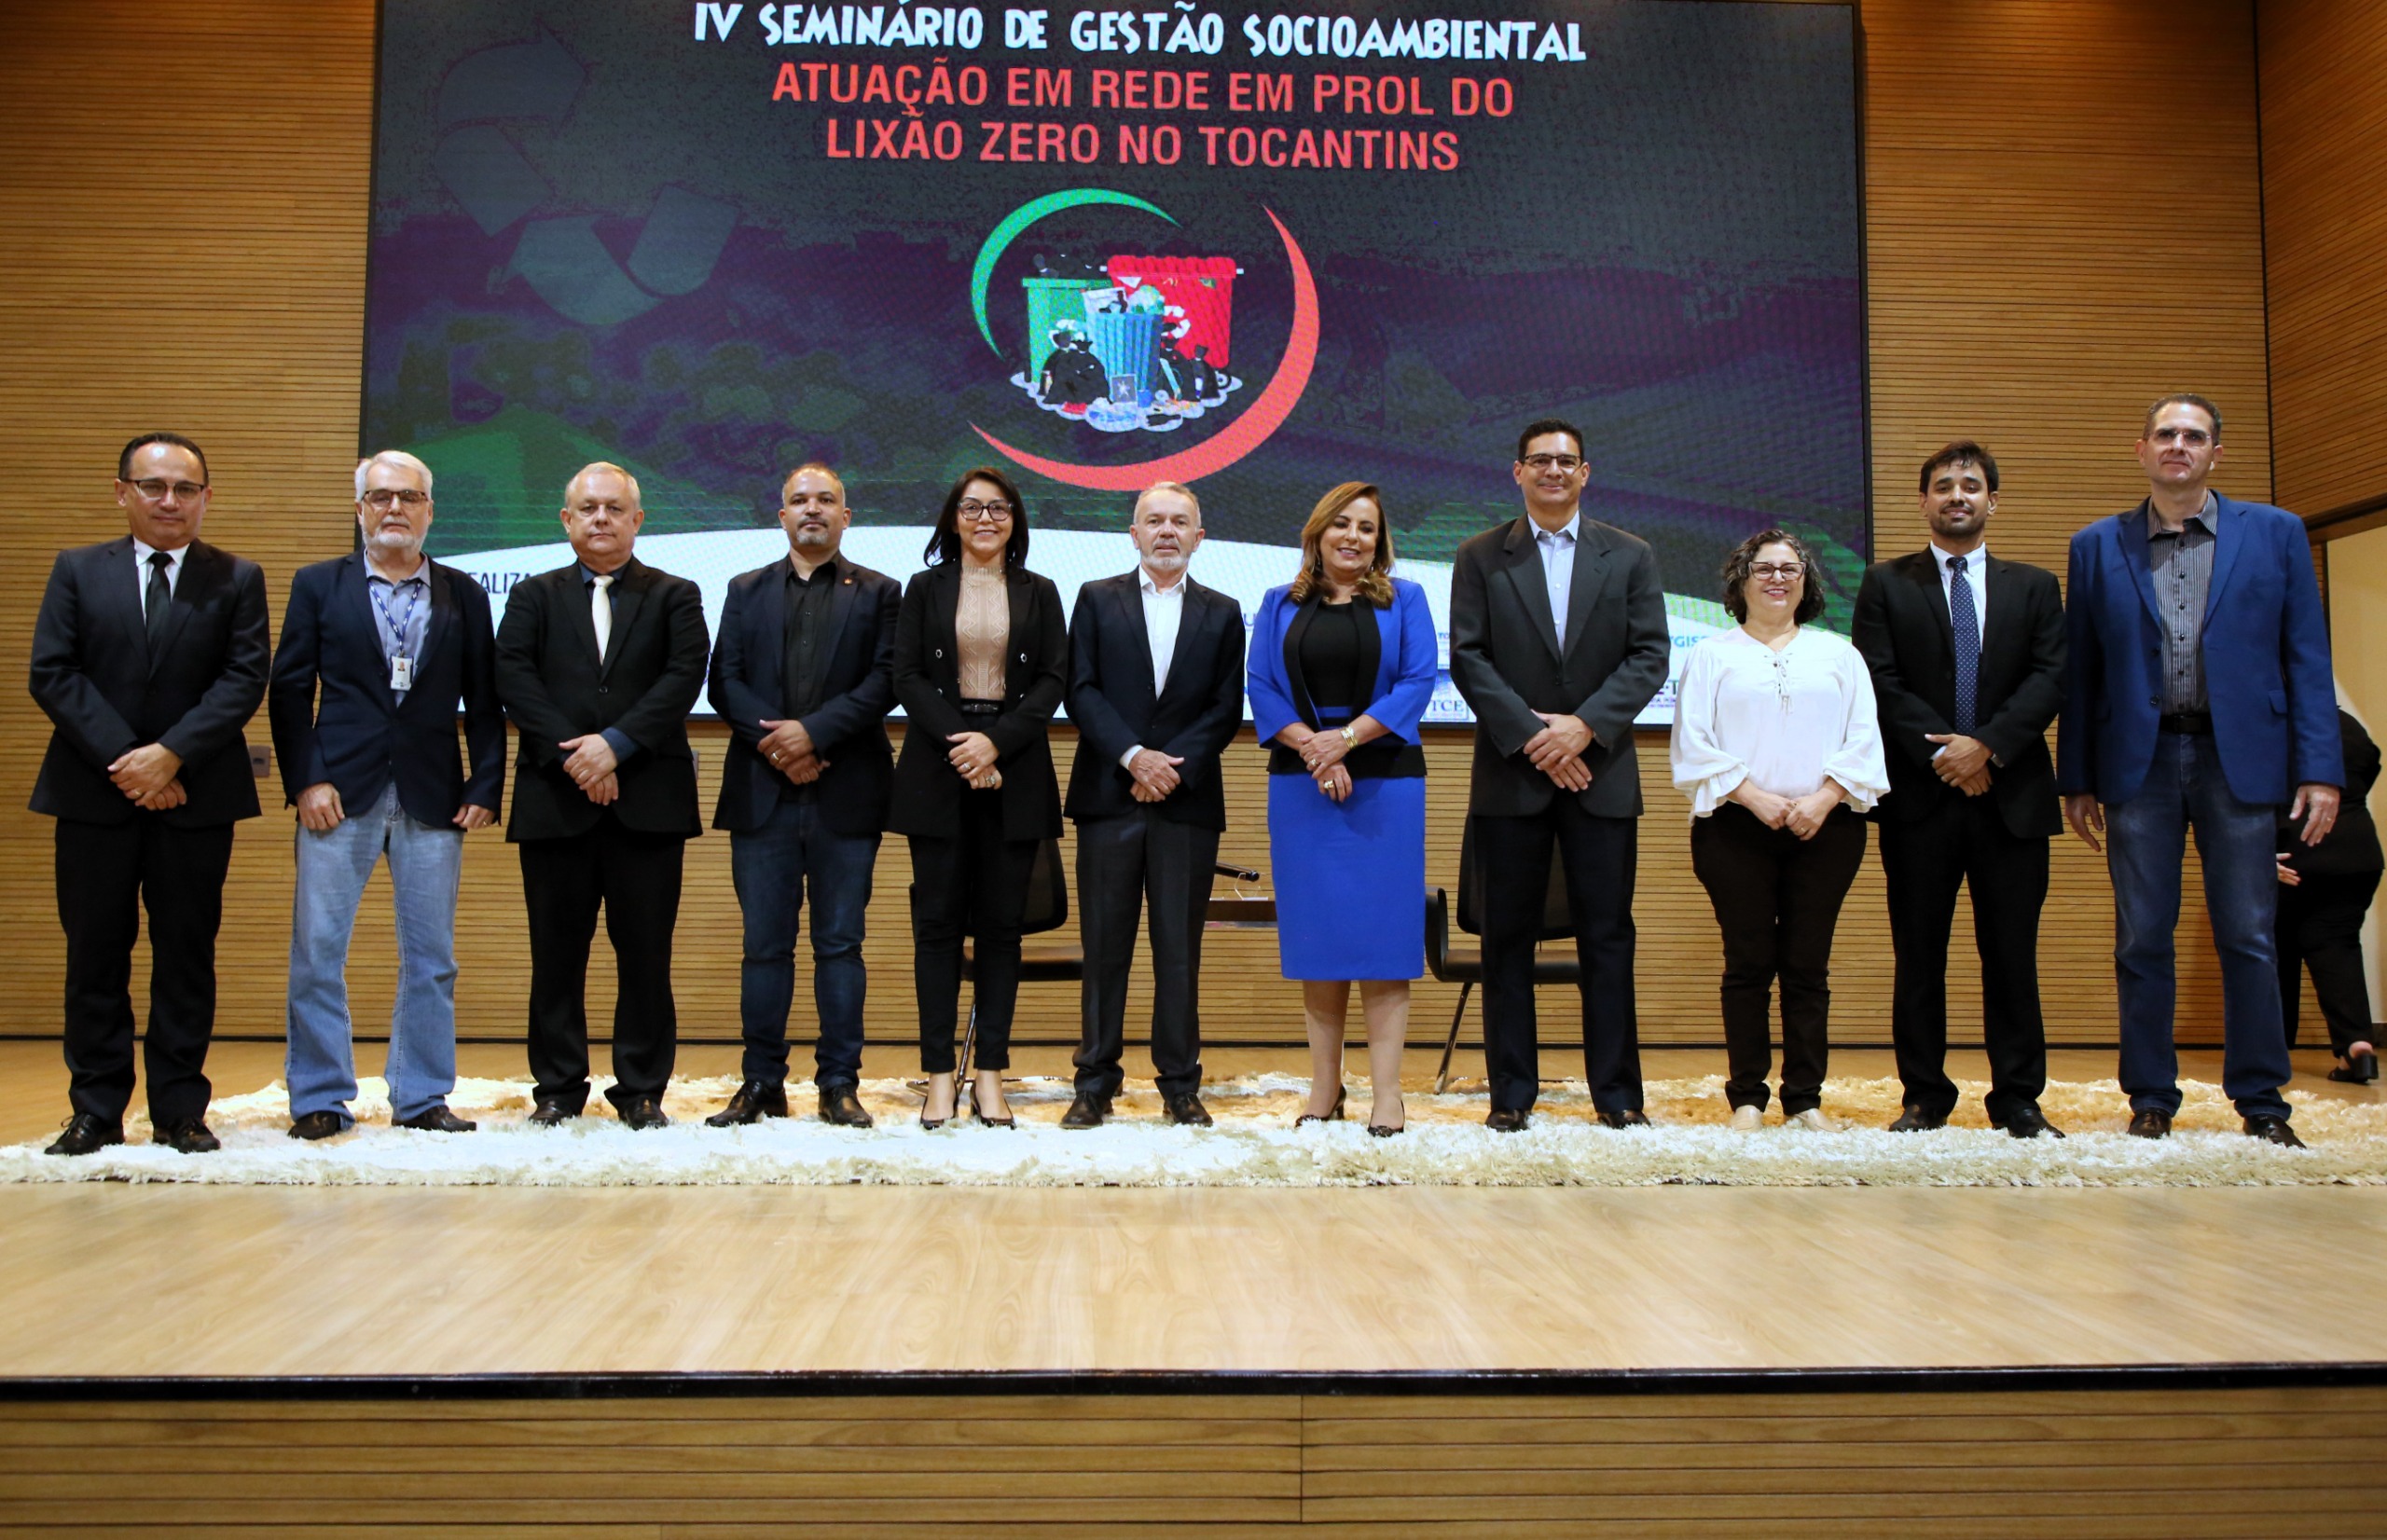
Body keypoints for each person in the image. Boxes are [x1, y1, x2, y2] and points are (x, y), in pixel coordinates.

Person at [2057, 394, 2342, 1147]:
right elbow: (2081, 670)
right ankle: (2151, 1097)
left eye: (2194, 436)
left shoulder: (2276, 534)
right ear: (2141, 450)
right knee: (2141, 938)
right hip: (2138, 764)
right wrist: (2076, 776)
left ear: (2217, 453)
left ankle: (2262, 1103)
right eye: (2165, 434)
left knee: (2248, 934)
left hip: (2239, 760)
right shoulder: (2096, 545)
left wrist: (2321, 769)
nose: (2178, 445)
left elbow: (2307, 657)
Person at [30, 433, 269, 1156]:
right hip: (92, 796)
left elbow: (243, 678)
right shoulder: (77, 570)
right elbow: (54, 672)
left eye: (186, 489)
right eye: (155, 486)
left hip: (196, 796)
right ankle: (96, 1109)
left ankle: (179, 1109)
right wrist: (127, 762)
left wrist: (169, 758)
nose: (171, 501)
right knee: (95, 953)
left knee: (186, 954)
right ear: (123, 492)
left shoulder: (236, 576)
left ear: (205, 497)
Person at [267, 450, 505, 1139]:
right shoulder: (318, 585)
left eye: (408, 497)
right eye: (380, 497)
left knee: (432, 957)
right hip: (336, 794)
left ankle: (422, 1096)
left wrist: (485, 782)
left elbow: (486, 702)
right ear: (360, 508)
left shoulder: (464, 591)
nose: (394, 508)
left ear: (430, 510)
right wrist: (307, 779)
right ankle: (319, 1097)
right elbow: (288, 692)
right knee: (318, 952)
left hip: (435, 794)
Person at [1448, 419, 1672, 1133]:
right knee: (1505, 938)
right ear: (1517, 472)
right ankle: (1511, 1094)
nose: (1552, 471)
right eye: (1539, 460)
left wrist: (1583, 728)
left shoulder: (1630, 555)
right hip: (1513, 778)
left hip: (1600, 775)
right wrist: (1535, 735)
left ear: (1585, 473)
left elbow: (1649, 656)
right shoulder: (1481, 556)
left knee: (1606, 936)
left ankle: (1618, 1094)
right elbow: (1469, 659)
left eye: (1565, 461)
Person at [1851, 442, 2067, 1137]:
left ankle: (2018, 1099)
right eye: (1943, 485)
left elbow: (2049, 678)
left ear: (1992, 501)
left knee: (2012, 955)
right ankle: (1924, 1097)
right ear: (1923, 502)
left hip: (2012, 799)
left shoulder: (2034, 587)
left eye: (1970, 485)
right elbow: (1877, 680)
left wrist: (1989, 746)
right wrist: (1949, 752)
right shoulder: (1886, 583)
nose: (1957, 495)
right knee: (1919, 955)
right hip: (1921, 799)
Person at [493, 462, 709, 1129]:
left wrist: (613, 746)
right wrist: (581, 756)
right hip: (555, 801)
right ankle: (558, 1089)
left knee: (646, 953)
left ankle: (641, 1089)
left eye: (615, 509)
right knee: (556, 954)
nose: (601, 519)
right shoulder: (533, 596)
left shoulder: (676, 594)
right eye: (587, 508)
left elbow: (681, 678)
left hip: (648, 800)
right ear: (566, 520)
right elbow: (516, 679)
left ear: (638, 520)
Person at [703, 463, 901, 1129]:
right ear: (780, 515)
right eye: (798, 501)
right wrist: (780, 748)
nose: (811, 509)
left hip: (847, 789)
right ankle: (761, 1082)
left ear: (847, 517)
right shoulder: (744, 588)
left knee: (840, 944)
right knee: (764, 946)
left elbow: (883, 683)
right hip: (763, 791)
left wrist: (812, 737)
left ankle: (839, 1083)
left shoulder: (879, 592)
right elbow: (724, 682)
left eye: (826, 501)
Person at [1672, 529, 1888, 1131]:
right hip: (1733, 829)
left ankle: (1805, 1098)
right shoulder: (1712, 655)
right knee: (1747, 963)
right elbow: (1693, 744)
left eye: (1790, 569)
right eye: (1763, 568)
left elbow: (1864, 739)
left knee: (1806, 965)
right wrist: (1753, 796)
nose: (1777, 578)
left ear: (1806, 583)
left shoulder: (1840, 654)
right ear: (1741, 581)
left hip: (1827, 827)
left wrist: (1824, 798)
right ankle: (1746, 1095)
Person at [1249, 482, 1439, 1135]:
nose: (1354, 537)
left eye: (1367, 528)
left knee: (1384, 942)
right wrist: (1316, 750)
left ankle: (1388, 1095)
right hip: (1302, 784)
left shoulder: (1406, 599)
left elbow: (1418, 681)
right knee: (1319, 940)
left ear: (1379, 541)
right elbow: (1262, 686)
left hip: (1385, 783)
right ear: (1319, 531)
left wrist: (1347, 742)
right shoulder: (1278, 604)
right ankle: (1324, 1088)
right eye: (1343, 525)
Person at [1059, 481, 1247, 1129]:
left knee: (1178, 949)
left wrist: (1169, 769)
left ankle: (1179, 1083)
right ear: (1133, 534)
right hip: (1109, 796)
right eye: (1153, 521)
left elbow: (1225, 708)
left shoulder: (1223, 612)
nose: (1166, 531)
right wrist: (1133, 757)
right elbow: (1079, 690)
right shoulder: (1094, 599)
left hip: (1186, 802)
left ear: (1200, 537)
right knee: (1104, 946)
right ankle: (1094, 1081)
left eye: (1180, 522)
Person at [890, 466, 1068, 1128]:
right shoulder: (923, 587)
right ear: (953, 519)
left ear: (1016, 520)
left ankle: (989, 1074)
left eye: (998, 508)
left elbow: (1053, 680)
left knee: (1000, 931)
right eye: (972, 508)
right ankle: (940, 1076)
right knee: (936, 929)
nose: (985, 518)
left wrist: (995, 745)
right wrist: (964, 743)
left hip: (1015, 769)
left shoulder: (1041, 591)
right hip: (937, 770)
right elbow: (906, 675)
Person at [2275, 708, 2381, 1082]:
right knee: (2337, 946)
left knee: (2273, 949)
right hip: (2357, 851)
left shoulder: (2274, 724)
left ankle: (2273, 1050)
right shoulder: (2349, 724)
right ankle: (2357, 1046)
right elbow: (2370, 766)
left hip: (2293, 851)